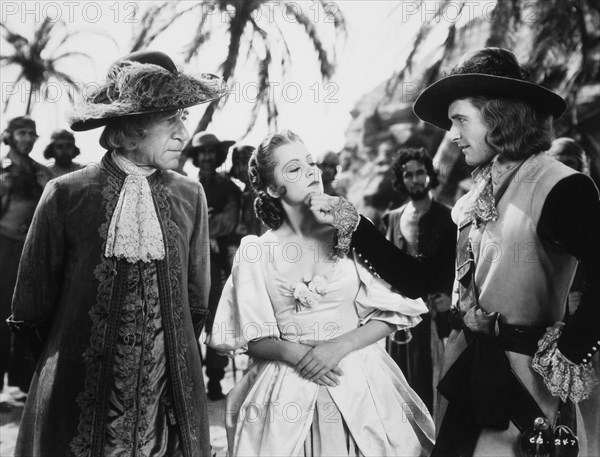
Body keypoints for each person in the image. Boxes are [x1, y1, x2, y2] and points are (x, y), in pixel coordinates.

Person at [309, 48, 600, 456]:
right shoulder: (470, 202)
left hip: (527, 392)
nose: (452, 134)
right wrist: (354, 224)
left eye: (461, 120)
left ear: (499, 116)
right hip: (465, 376)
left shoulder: (561, 186)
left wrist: (570, 349)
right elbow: (418, 279)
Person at [8, 49, 227, 456]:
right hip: (78, 395)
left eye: (184, 118)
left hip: (167, 398)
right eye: (170, 120)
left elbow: (196, 301)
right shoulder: (65, 194)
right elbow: (30, 308)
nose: (183, 134)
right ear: (132, 127)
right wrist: (74, 359)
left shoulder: (190, 195)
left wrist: (166, 359)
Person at [207, 130, 434, 456]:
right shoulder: (257, 251)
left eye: (311, 163)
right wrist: (301, 357)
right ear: (273, 188)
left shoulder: (350, 231)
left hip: (358, 376)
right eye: (295, 169)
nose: (313, 172)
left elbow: (393, 312)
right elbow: (256, 338)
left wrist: (339, 346)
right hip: (287, 383)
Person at [382, 147, 455, 415]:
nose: (415, 179)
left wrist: (450, 296)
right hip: (399, 317)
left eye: (420, 172)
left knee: (434, 385)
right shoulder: (390, 220)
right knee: (400, 384)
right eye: (408, 174)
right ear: (401, 180)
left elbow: (459, 265)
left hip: (436, 319)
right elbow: (381, 269)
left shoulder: (449, 218)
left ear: (429, 175)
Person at [0, 116, 52, 398]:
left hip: (31, 251)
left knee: (26, 313)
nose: (28, 139)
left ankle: (21, 383)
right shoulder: (2, 170)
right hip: (4, 249)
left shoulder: (41, 173)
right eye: (21, 133)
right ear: (8, 136)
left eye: (32, 133)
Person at [187, 131, 241, 401]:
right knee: (187, 321)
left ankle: (215, 380)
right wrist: (202, 224)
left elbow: (229, 221)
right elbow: (178, 223)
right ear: (195, 157)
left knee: (217, 320)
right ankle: (191, 377)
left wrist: (205, 225)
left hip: (217, 263)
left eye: (211, 152)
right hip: (187, 262)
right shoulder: (182, 184)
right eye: (202, 152)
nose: (207, 157)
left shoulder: (229, 187)